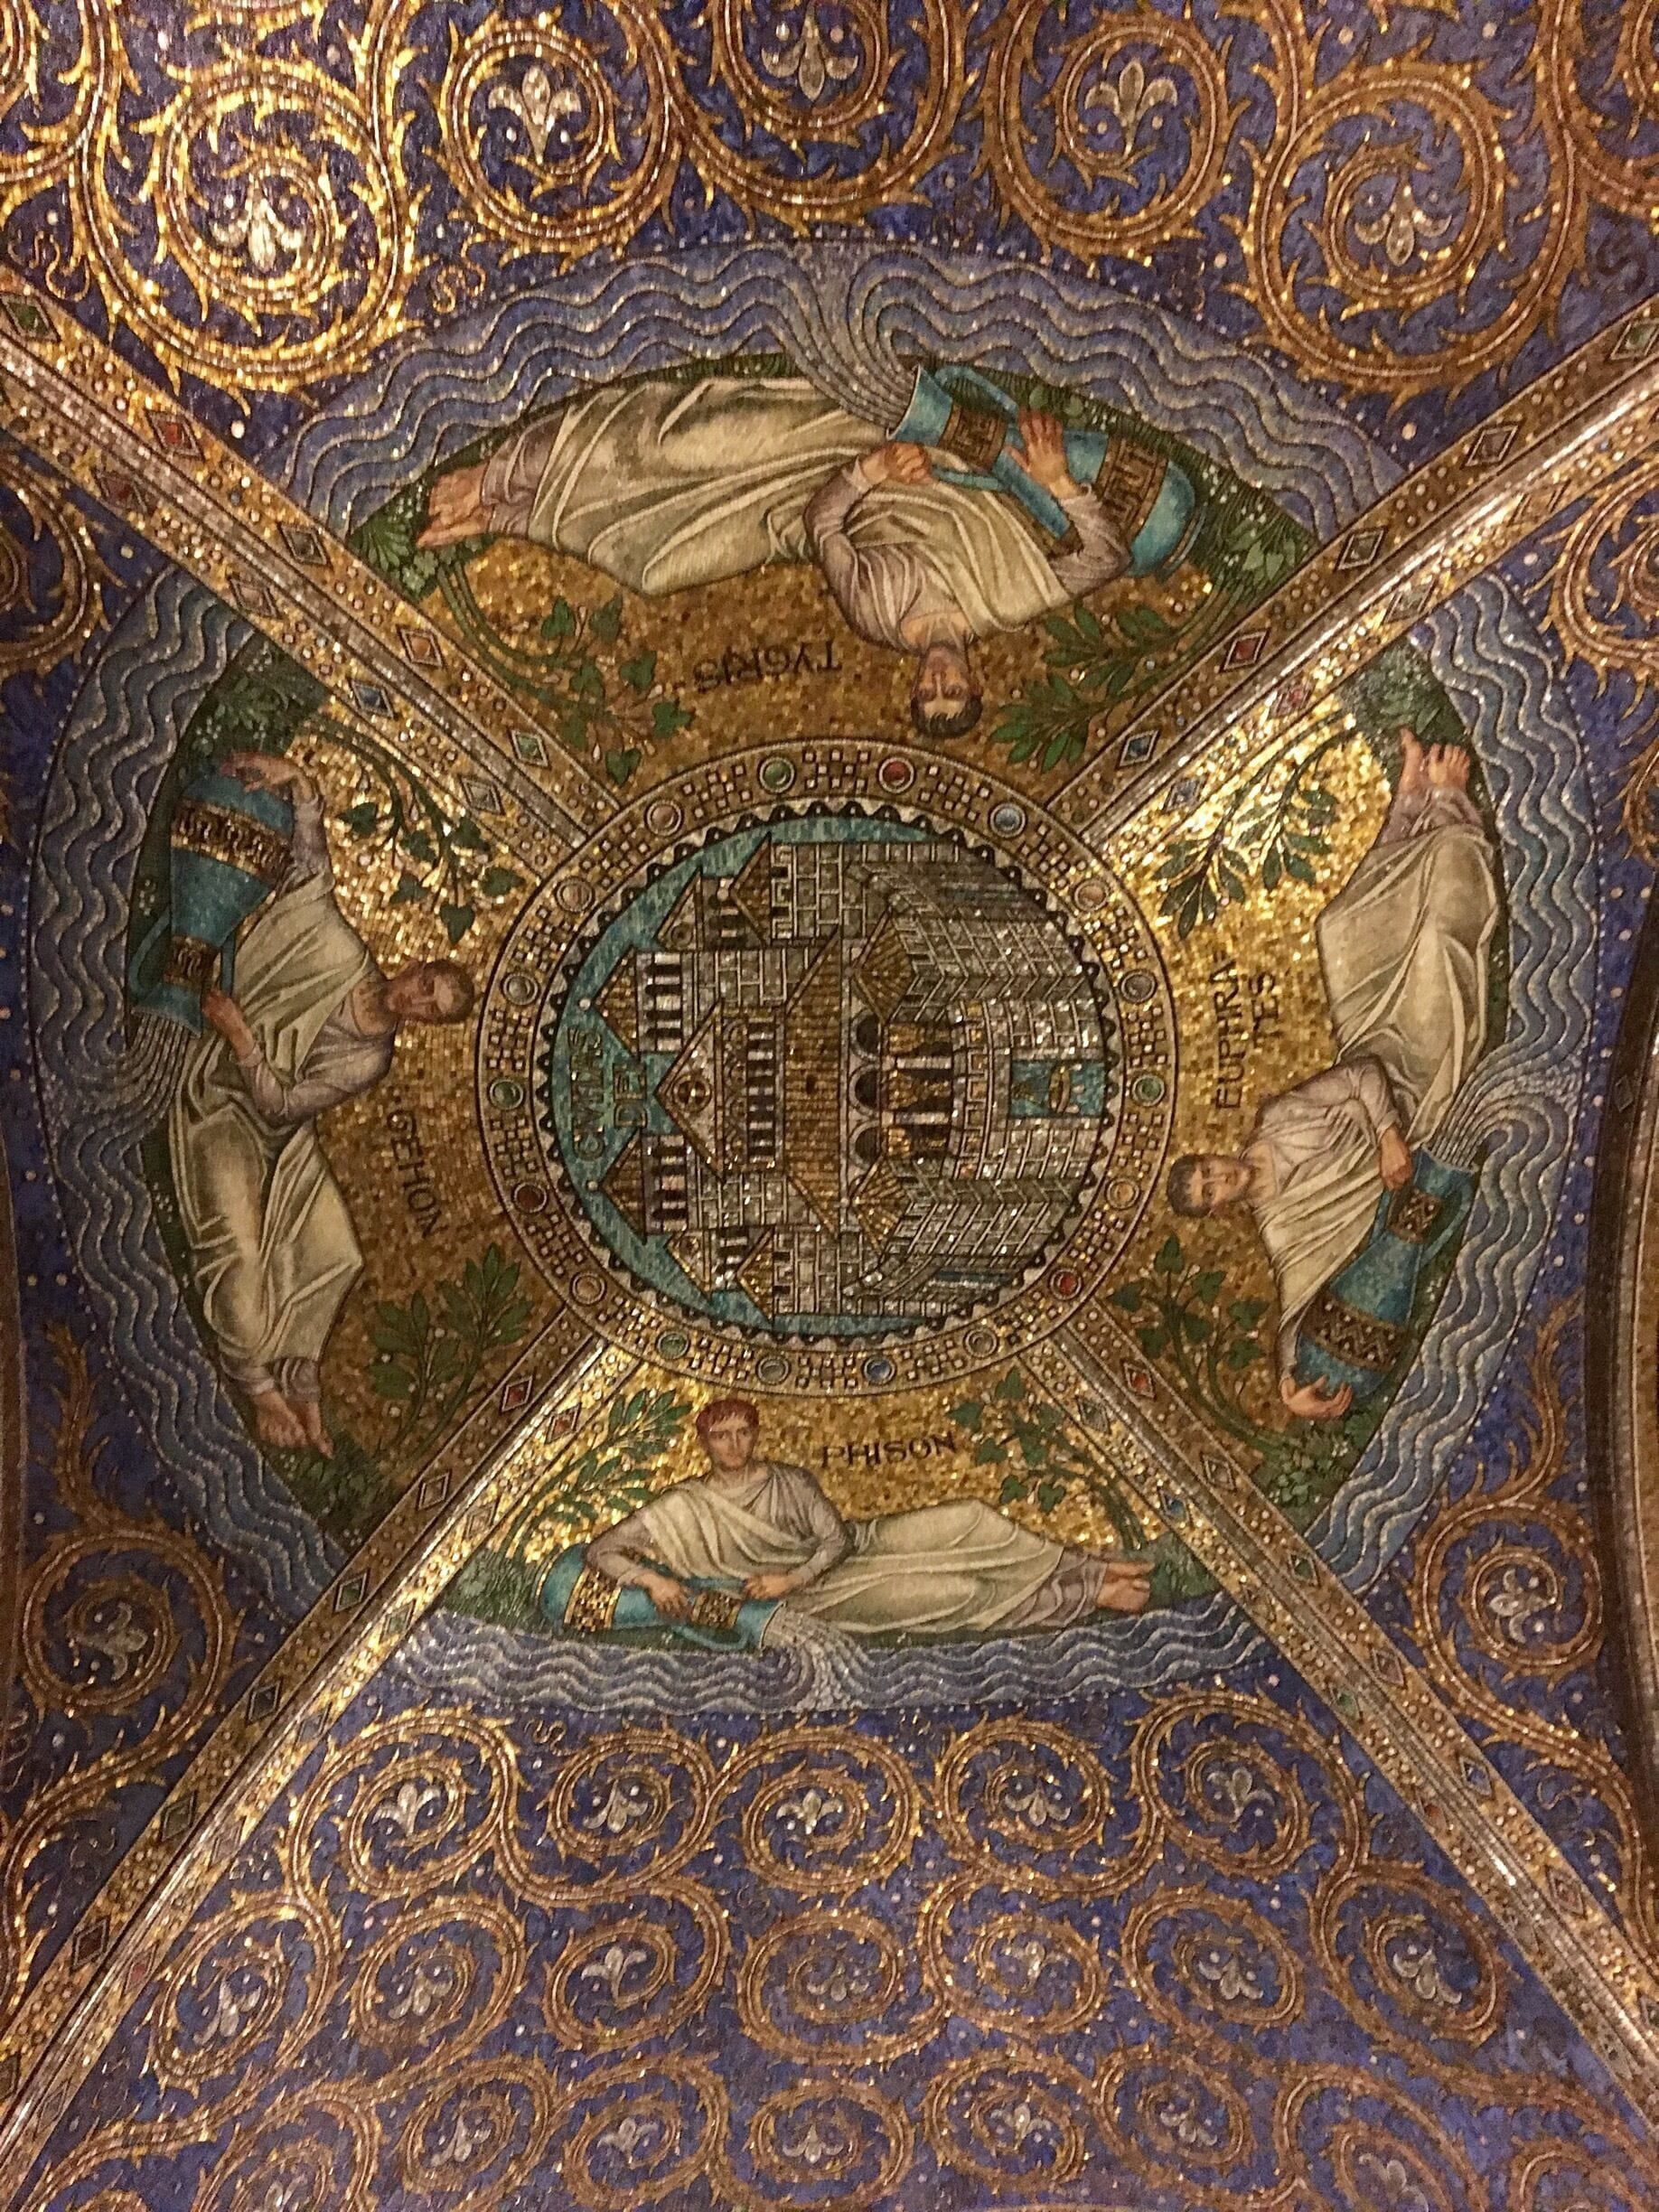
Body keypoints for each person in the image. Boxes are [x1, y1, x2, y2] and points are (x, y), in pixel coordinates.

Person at [416, 373, 1131, 740]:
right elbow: (1104, 557)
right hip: (906, 452)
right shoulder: (1003, 602)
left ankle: (509, 513)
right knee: (691, 442)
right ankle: (501, 472)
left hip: (823, 489)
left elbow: (823, 527)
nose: (940, 683)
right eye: (955, 693)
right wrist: (1057, 483)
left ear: (915, 689)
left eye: (928, 694)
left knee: (656, 564)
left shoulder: (877, 618)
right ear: (976, 687)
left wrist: (871, 477)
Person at [1165, 732, 1500, 1420]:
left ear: (1213, 1154)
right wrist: (1291, 1384)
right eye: (1210, 1192)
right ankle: (1449, 809)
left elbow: (1360, 1073)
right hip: (1421, 1092)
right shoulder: (1282, 1225)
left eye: (1207, 1169)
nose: (1219, 1180)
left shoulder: (1276, 1121)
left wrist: (1381, 1136)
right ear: (1219, 1207)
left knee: (1339, 929)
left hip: (1382, 1055)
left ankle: (1407, 805)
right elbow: (1295, 1308)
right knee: (1436, 941)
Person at [168, 752, 474, 1457]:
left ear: (426, 1024)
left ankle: (301, 1376)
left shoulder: (370, 1058)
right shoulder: (337, 948)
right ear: (418, 966)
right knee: (241, 1269)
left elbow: (282, 1107)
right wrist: (300, 785)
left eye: (433, 1007)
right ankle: (256, 1379)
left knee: (336, 1250)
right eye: (428, 984)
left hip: (273, 1129)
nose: (420, 998)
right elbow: (312, 872)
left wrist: (245, 1036)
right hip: (218, 1106)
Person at [575, 1397, 1153, 1637]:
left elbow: (835, 1541)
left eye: (742, 1433)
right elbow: (601, 1549)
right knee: (951, 1589)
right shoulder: (680, 1506)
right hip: (805, 1600)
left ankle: (1089, 1562)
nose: (732, 1445)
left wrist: (793, 1573)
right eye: (720, 1437)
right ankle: (1084, 1595)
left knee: (972, 1517)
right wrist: (651, 1577)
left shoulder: (789, 1482)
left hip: (844, 1554)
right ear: (704, 1442)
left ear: (755, 1435)